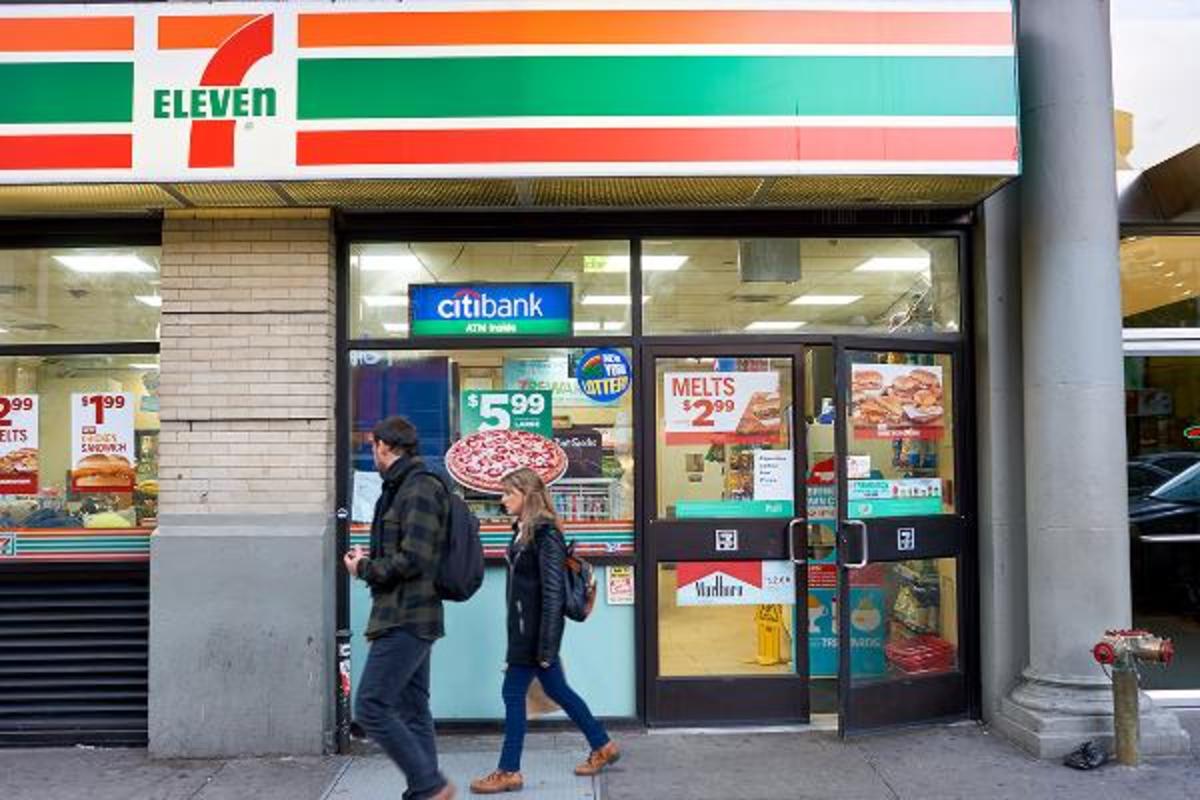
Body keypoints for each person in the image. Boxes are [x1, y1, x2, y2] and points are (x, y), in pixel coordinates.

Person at [470, 468, 620, 795]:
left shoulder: (545, 534)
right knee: (558, 690)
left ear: (527, 495)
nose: (502, 499)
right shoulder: (523, 530)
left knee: (513, 694)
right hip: (527, 630)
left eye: (508, 493)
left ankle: (509, 770)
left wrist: (547, 648)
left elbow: (553, 595)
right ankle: (602, 744)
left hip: (535, 634)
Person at [344, 416, 455, 800]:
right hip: (402, 614)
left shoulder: (419, 488)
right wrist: (369, 562)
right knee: (413, 709)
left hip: (408, 616)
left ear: (385, 446)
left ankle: (430, 785)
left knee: (371, 706)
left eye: (373, 446)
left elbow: (414, 558)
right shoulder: (399, 487)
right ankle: (425, 790)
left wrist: (364, 568)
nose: (372, 453)